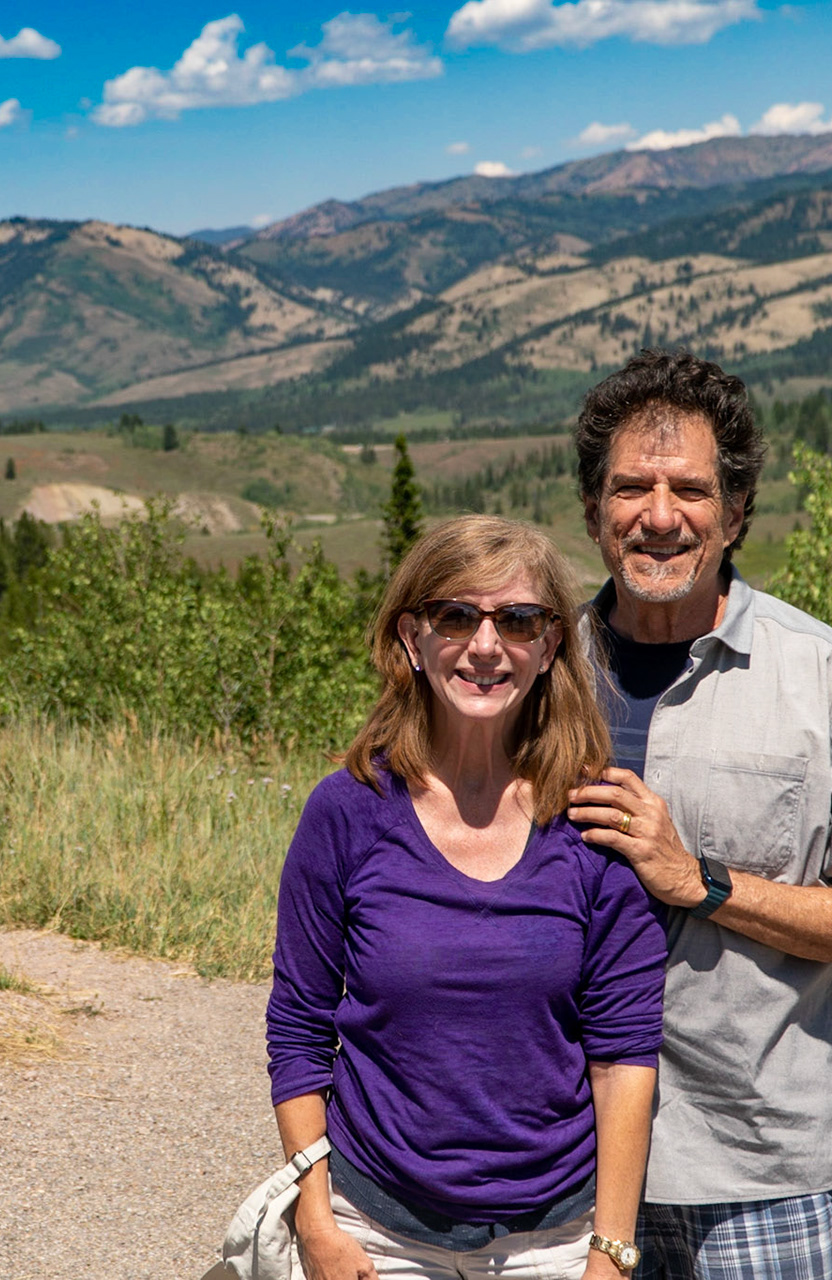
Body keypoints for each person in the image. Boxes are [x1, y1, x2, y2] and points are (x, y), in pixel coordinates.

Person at [563, 351, 832, 1280]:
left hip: (759, 1166)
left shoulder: (822, 675)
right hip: (566, 1156)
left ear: (735, 515)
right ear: (593, 510)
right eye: (631, 488)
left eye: (691, 490)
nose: (660, 516)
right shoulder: (539, 672)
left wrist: (701, 882)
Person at [268, 515, 668, 1280]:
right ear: (412, 638)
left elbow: (623, 1057)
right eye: (455, 616)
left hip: (553, 1241)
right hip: (373, 1232)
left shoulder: (593, 823)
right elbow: (299, 1027)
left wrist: (611, 1255)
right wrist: (314, 1222)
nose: (486, 645)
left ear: (550, 647)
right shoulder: (347, 812)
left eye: (518, 621)